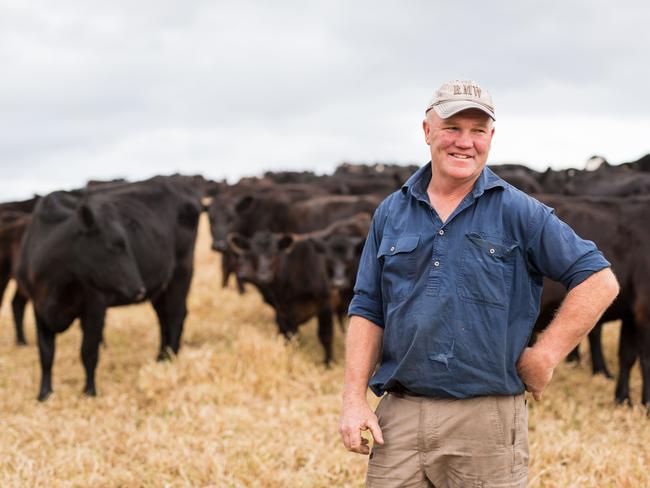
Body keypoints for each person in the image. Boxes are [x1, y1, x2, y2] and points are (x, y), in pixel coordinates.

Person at [338, 80, 619, 487]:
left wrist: (545, 355)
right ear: (427, 131)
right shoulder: (391, 212)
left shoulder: (518, 211)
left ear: (491, 137)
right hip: (397, 415)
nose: (464, 142)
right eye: (452, 127)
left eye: (477, 130)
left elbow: (599, 279)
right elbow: (367, 307)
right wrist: (353, 400)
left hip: (485, 420)